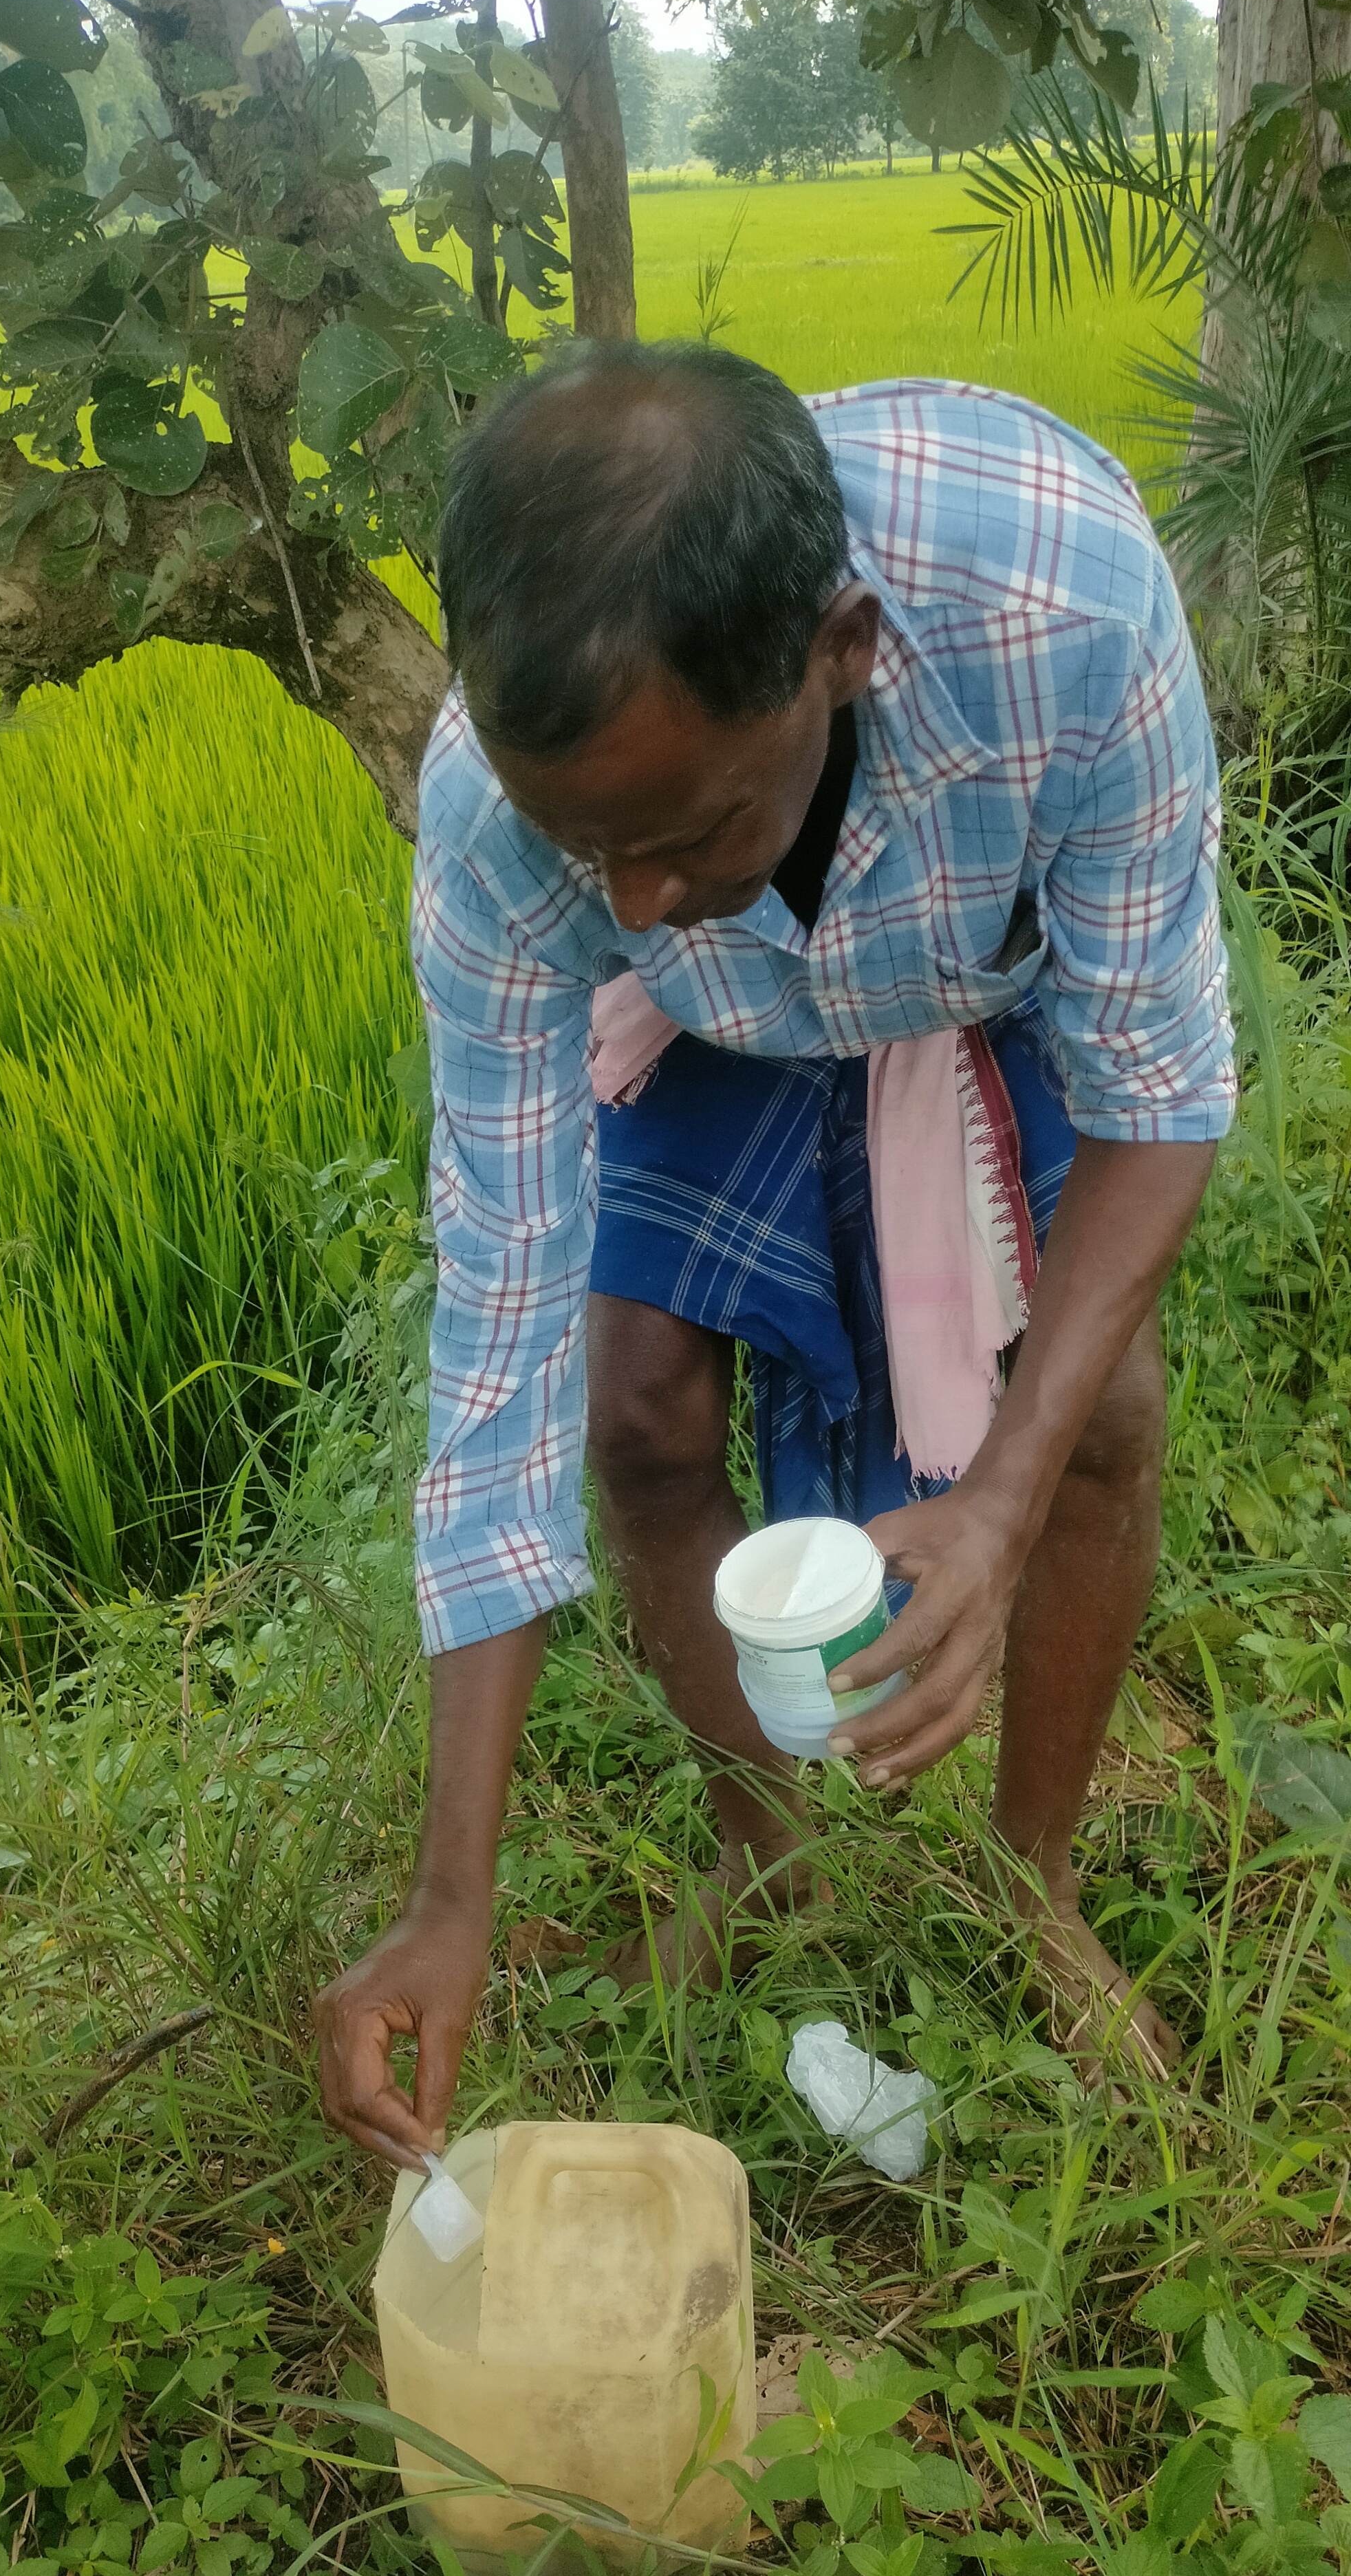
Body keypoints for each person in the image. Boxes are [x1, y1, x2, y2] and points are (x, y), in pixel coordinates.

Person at [314, 344, 1233, 2173]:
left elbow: (1158, 1093)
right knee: (639, 1409)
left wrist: (995, 1506)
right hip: (722, 1007)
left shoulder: (1064, 605)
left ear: (844, 649)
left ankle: (1033, 1881)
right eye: (589, 849)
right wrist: (449, 1895)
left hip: (983, 964)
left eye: (681, 829)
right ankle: (765, 1856)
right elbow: (502, 1307)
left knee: (1100, 1418)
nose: (626, 899)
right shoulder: (516, 821)